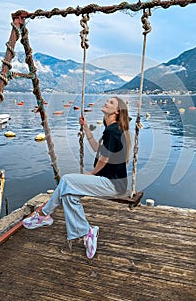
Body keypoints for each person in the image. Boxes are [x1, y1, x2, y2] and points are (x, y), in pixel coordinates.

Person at [22, 97, 131, 259]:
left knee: (66, 180)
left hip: (112, 184)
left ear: (116, 112)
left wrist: (92, 173)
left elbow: (104, 159)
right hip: (110, 182)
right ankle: (87, 232)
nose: (106, 103)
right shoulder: (111, 130)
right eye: (107, 101)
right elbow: (98, 150)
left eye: (111, 103)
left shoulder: (113, 131)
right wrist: (86, 129)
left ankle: (44, 214)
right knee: (68, 195)